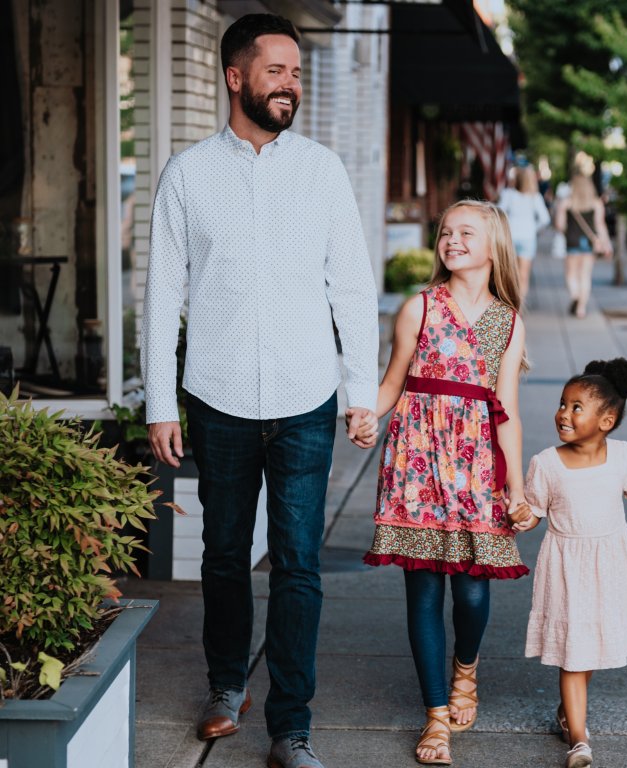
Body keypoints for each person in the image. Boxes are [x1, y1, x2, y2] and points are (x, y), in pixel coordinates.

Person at [141, 14, 380, 768]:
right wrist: (157, 401)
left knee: (299, 562)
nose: (291, 85)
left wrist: (359, 390)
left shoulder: (322, 171)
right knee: (220, 555)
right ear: (235, 76)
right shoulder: (186, 174)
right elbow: (160, 296)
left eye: (298, 73)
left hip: (306, 395)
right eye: (277, 70)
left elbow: (351, 287)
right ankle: (223, 686)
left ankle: (291, 724)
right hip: (216, 398)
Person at [363, 200, 528, 765]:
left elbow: (507, 406)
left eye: (465, 232)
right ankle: (436, 716)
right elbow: (392, 383)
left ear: (492, 245)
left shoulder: (508, 321)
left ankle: (466, 668)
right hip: (416, 462)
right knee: (425, 589)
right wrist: (367, 415)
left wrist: (518, 487)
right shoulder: (419, 308)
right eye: (445, 232)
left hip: (477, 463)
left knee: (474, 591)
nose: (451, 240)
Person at [512, 359, 627, 768]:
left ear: (606, 420)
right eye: (562, 403)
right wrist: (519, 516)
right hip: (566, 569)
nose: (563, 412)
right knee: (575, 654)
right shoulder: (547, 463)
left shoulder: (622, 457)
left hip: (607, 567)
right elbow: (533, 514)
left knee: (587, 652)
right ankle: (579, 740)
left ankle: (566, 712)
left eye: (576, 407)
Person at [554, 173, 612, 318]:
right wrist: (606, 244)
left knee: (571, 274)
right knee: (585, 275)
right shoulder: (596, 203)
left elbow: (559, 225)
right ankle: (581, 308)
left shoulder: (566, 202)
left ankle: (575, 295)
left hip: (572, 242)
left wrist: (567, 229)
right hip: (589, 243)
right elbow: (600, 226)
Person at [498, 165, 550, 305]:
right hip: (528, 238)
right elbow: (545, 219)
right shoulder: (535, 197)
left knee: (509, 273)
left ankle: (510, 302)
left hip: (511, 237)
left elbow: (499, 213)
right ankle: (519, 306)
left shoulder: (508, 194)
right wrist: (534, 228)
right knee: (523, 275)